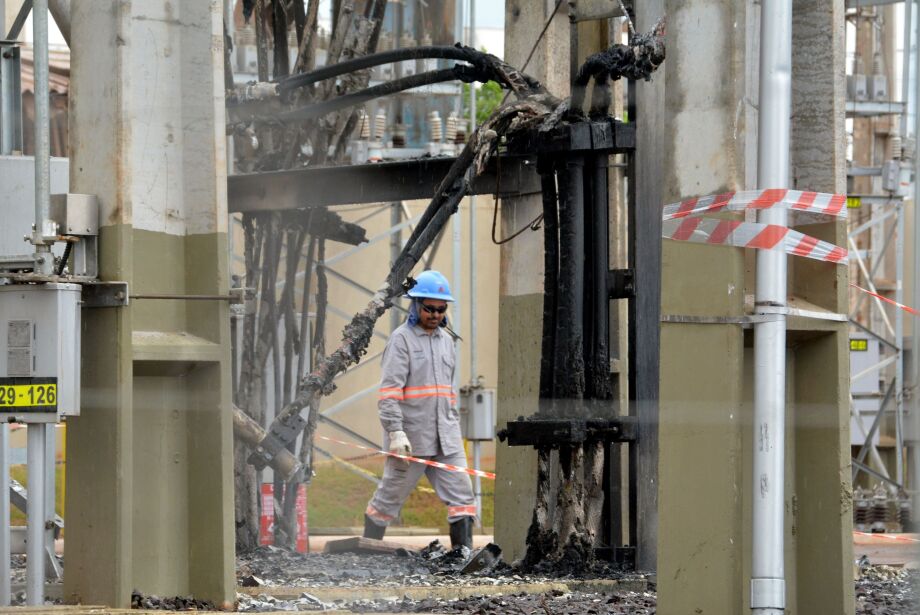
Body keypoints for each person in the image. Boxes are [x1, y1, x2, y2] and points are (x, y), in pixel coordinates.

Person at [363, 270, 476, 549]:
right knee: (388, 500)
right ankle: (364, 556)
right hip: (411, 440)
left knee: (463, 497)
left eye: (441, 309)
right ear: (415, 306)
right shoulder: (401, 340)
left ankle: (463, 557)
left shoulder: (446, 341)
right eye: (429, 309)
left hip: (446, 438)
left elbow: (445, 392)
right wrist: (396, 432)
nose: (436, 315)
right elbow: (389, 392)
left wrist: (451, 425)